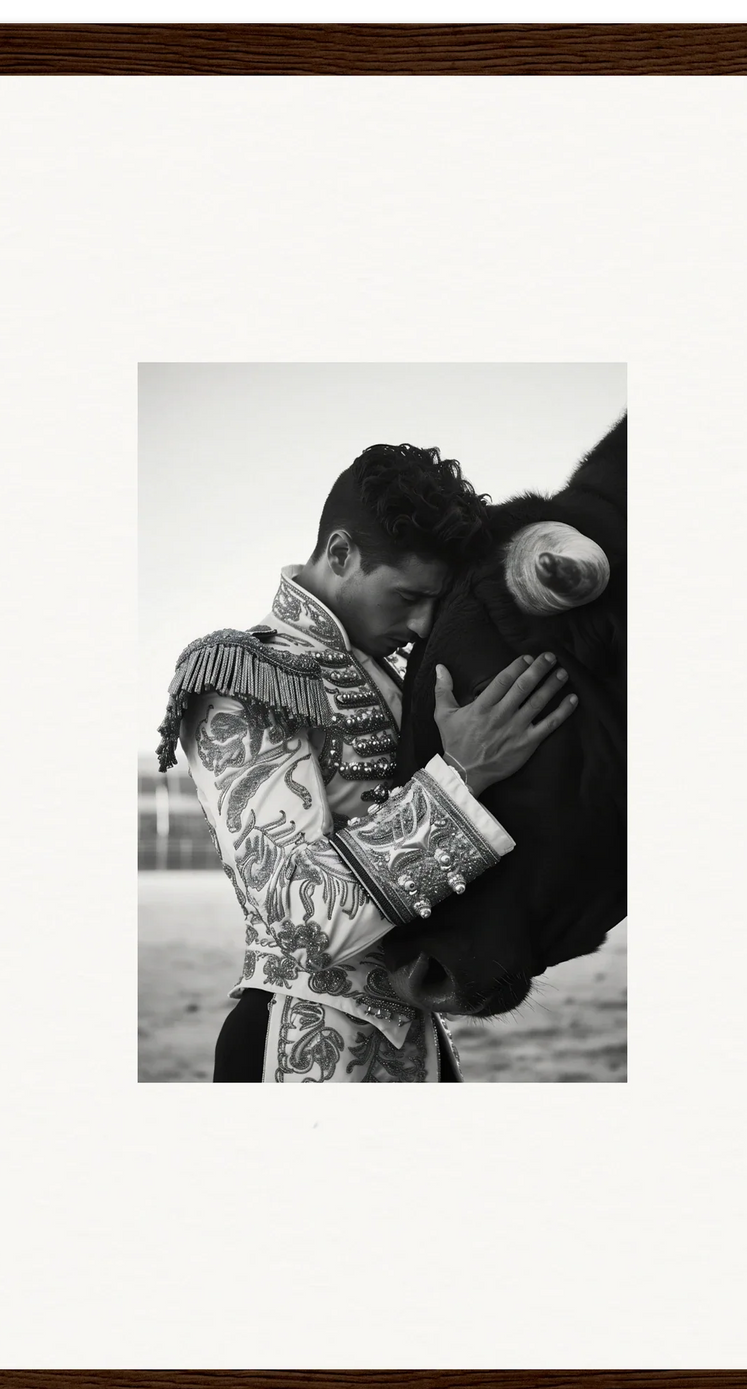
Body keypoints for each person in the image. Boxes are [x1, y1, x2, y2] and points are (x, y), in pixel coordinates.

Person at [155, 443, 578, 1082]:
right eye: (407, 595)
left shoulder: (395, 674)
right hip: (296, 1048)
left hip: (421, 1046)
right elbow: (299, 919)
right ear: (342, 553)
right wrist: (461, 777)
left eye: (436, 602)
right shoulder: (245, 674)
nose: (422, 622)